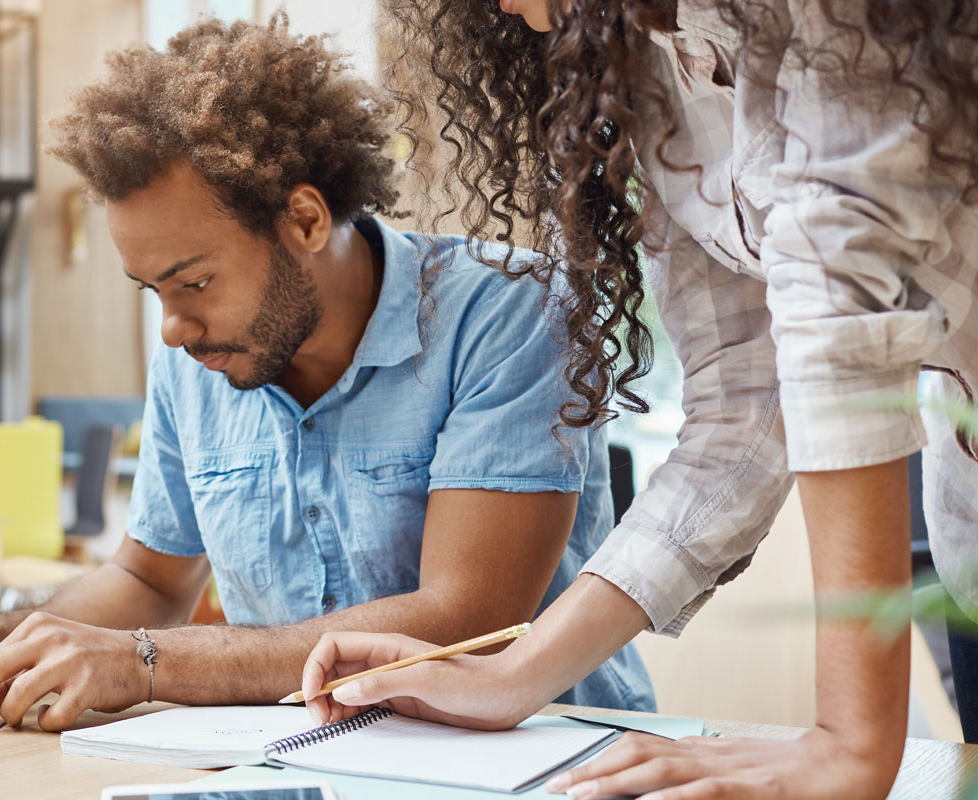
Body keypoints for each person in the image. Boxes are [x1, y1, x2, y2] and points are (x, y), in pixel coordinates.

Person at [0, 15, 653, 732]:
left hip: (531, 761)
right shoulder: (198, 359)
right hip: (300, 759)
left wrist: (147, 664)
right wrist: (6, 642)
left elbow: (467, 620)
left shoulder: (509, 313)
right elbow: (150, 580)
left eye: (194, 282)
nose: (173, 328)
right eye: (153, 292)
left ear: (306, 220)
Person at [304, 1, 978, 797]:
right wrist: (512, 674)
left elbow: (836, 312)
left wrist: (850, 740)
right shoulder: (646, 66)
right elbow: (741, 405)